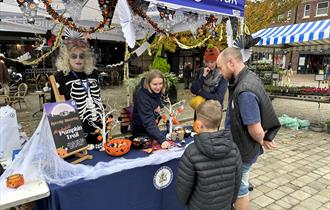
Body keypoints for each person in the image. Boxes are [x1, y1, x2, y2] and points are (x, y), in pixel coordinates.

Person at [217, 47, 281, 210]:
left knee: (240, 189)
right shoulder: (249, 77)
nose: (220, 72)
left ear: (231, 63)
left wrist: (262, 139)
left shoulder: (244, 90)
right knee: (240, 185)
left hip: (243, 150)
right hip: (244, 147)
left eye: (220, 67)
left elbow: (255, 128)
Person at [176, 100, 242, 210]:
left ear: (198, 125)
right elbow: (237, 181)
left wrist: (184, 202)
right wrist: (230, 202)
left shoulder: (191, 152)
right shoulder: (234, 149)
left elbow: (183, 187)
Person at [51, 38, 103, 149]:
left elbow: (98, 98)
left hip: (97, 127)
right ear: (66, 58)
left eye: (81, 56)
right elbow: (54, 108)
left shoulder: (93, 74)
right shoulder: (60, 78)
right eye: (74, 56)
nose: (78, 59)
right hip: (73, 131)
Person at [132, 70, 171, 149]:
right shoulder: (142, 97)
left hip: (152, 129)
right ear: (148, 83)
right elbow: (148, 121)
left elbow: (158, 107)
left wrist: (157, 112)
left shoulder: (156, 92)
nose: (158, 87)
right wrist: (162, 140)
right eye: (155, 84)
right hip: (141, 131)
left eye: (160, 83)